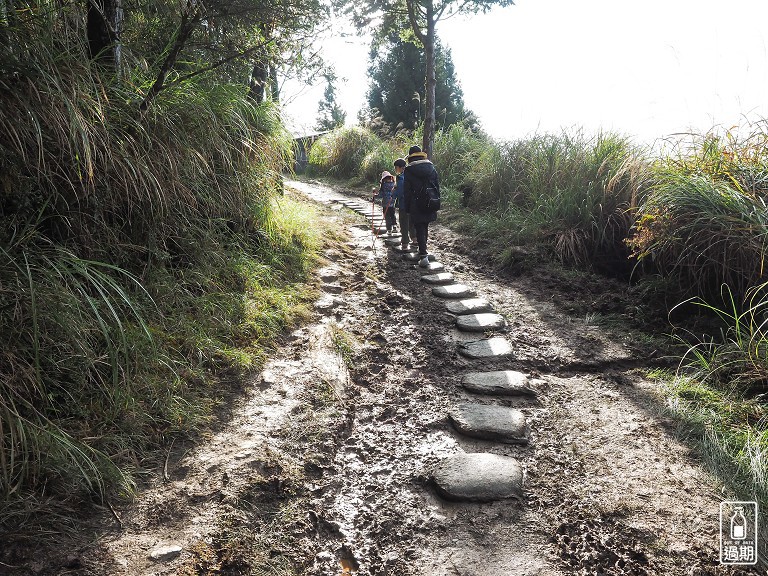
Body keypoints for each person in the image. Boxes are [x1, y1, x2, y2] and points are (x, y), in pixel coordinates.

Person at [403, 145, 439, 267]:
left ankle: (423, 256)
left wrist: (407, 207)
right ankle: (423, 251)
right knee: (425, 226)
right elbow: (436, 187)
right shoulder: (432, 168)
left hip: (416, 203)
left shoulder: (409, 170)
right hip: (430, 201)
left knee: (419, 227)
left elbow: (407, 191)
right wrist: (436, 201)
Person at [393, 158, 414, 251]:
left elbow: (400, 192)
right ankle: (415, 240)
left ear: (401, 168)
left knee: (404, 224)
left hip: (404, 204)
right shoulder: (412, 175)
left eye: (396, 168)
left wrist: (393, 193)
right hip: (413, 204)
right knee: (412, 223)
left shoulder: (401, 177)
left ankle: (405, 243)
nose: (395, 170)